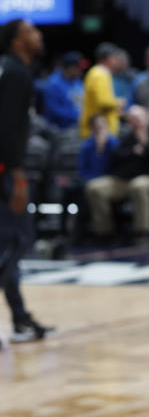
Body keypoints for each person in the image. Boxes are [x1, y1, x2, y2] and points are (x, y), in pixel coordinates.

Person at [0, 19, 56, 342]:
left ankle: (19, 318)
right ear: (17, 41)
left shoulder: (8, 70)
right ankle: (19, 318)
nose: (39, 36)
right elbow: (6, 129)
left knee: (9, 244)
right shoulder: (18, 74)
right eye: (32, 32)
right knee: (19, 240)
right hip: (6, 172)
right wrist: (18, 175)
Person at [84, 106, 149, 242]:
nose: (135, 123)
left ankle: (142, 232)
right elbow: (115, 157)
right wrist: (132, 151)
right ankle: (104, 232)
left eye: (138, 119)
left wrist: (146, 146)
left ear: (147, 119)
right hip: (125, 180)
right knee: (94, 187)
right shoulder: (127, 138)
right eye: (132, 120)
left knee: (139, 185)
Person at [79, 42, 126, 138]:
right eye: (115, 58)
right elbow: (103, 102)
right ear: (109, 58)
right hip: (98, 133)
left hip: (99, 131)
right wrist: (118, 103)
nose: (116, 61)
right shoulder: (100, 73)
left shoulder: (97, 72)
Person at [40, 51, 85, 130]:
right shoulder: (53, 83)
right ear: (71, 67)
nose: (81, 70)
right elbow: (53, 110)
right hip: (59, 130)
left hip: (77, 128)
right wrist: (76, 117)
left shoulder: (77, 82)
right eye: (78, 67)